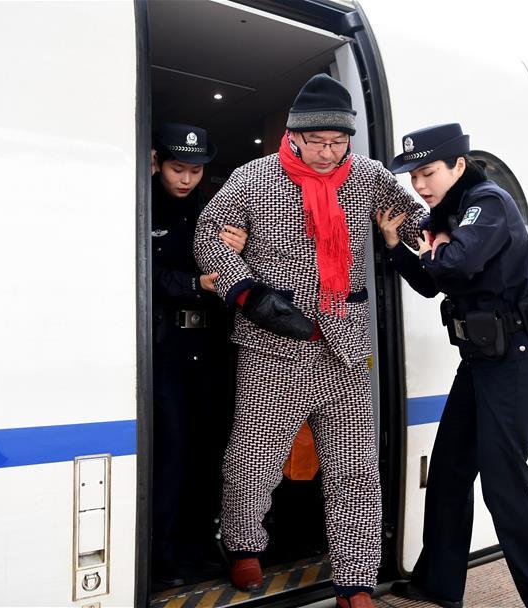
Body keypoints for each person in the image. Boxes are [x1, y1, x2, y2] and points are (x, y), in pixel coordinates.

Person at [193, 74, 428, 608]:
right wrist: (247, 292)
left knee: (355, 466)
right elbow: (210, 237)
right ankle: (244, 546)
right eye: (318, 141)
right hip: (271, 345)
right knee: (253, 456)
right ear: (294, 136)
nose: (328, 152)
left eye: (338, 142)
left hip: (344, 348)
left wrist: (430, 235)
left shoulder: (367, 176)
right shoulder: (253, 178)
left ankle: (355, 581)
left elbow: (414, 219)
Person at [379, 123, 528, 608]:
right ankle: (439, 585)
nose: (419, 186)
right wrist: (398, 245)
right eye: (413, 177)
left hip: (518, 358)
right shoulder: (451, 215)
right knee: (448, 471)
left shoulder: (488, 202)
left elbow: (456, 266)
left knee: (503, 482)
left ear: (457, 166)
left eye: (427, 173)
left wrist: (433, 249)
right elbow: (428, 282)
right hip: (481, 359)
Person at [150, 122, 248, 586]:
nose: (186, 179)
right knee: (171, 453)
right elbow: (143, 273)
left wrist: (241, 252)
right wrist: (194, 284)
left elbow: (245, 276)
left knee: (210, 451)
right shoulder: (141, 206)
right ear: (156, 163)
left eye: (195, 170)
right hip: (167, 349)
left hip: (210, 349)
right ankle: (161, 554)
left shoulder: (216, 213)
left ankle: (198, 546)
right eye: (177, 168)